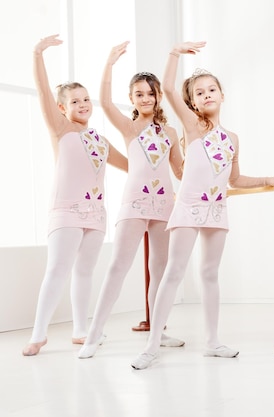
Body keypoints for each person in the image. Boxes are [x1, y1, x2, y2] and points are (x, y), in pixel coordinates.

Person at [130, 41, 274, 370]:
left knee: (210, 274)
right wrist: (174, 54)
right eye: (199, 93)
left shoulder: (232, 138)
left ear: (222, 94)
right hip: (188, 207)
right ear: (192, 103)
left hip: (216, 209)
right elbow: (169, 87)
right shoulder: (192, 127)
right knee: (173, 272)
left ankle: (213, 341)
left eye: (211, 89)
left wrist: (267, 180)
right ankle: (153, 343)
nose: (206, 95)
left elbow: (235, 179)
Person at [78, 42, 187, 359]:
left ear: (158, 96)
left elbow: (179, 168)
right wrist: (109, 63)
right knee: (117, 267)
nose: (145, 99)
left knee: (160, 270)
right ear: (131, 99)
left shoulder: (169, 131)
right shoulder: (128, 126)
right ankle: (94, 334)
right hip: (135, 203)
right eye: (139, 94)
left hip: (165, 205)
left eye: (150, 93)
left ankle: (158, 329)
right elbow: (104, 103)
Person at [23, 35, 127, 356]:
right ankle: (38, 334)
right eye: (75, 101)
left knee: (84, 271)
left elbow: (129, 165)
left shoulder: (99, 138)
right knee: (57, 269)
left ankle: (81, 329)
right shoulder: (61, 128)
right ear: (62, 108)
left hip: (96, 214)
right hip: (66, 210)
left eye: (86, 100)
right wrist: (38, 53)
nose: (83, 105)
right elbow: (42, 90)